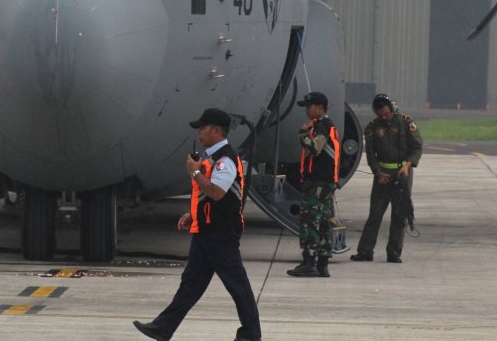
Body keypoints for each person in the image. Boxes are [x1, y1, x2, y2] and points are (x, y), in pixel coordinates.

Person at [133, 108, 261, 341]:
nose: (199, 132)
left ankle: (251, 334)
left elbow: (217, 193)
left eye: (203, 128)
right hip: (207, 230)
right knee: (191, 284)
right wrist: (194, 213)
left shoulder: (225, 159)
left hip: (221, 233)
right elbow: (210, 196)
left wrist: (194, 174)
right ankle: (163, 327)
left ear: (216, 130)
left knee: (237, 285)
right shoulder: (213, 157)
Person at [350, 93, 423, 264]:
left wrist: (407, 166)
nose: (384, 117)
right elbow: (371, 154)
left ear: (392, 108)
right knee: (375, 214)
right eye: (380, 115)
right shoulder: (374, 127)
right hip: (382, 176)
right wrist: (377, 172)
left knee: (399, 215)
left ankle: (394, 252)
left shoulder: (406, 123)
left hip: (402, 173)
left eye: (386, 113)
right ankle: (365, 250)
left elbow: (417, 147)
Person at [286, 91, 341, 277]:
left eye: (309, 107)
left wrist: (303, 134)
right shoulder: (326, 126)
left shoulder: (322, 126)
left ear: (319, 107)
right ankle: (323, 262)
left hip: (318, 182)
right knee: (324, 221)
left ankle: (308, 261)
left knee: (310, 220)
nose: (307, 111)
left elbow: (314, 148)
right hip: (326, 182)